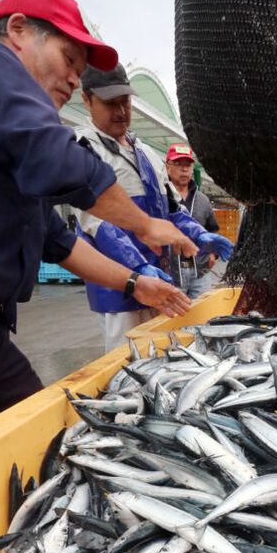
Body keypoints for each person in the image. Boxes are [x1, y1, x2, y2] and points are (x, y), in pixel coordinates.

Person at [0, 0, 194, 422]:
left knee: (44, 436)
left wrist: (137, 284)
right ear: (18, 29)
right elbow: (58, 159)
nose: (75, 79)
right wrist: (145, 225)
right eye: (69, 60)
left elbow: (60, 242)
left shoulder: (3, 138)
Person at [75, 64, 233, 351]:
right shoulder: (82, 148)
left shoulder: (145, 152)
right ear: (86, 99)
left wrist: (199, 235)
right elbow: (98, 224)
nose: (121, 111)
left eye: (125, 102)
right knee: (129, 362)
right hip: (118, 291)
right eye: (110, 103)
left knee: (165, 355)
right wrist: (138, 268)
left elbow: (173, 208)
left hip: (161, 281)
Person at [165, 144, 225, 299]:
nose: (184, 169)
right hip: (170, 272)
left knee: (201, 316)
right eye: (178, 164)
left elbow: (212, 228)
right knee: (174, 317)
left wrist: (213, 253)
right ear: (167, 167)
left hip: (200, 271)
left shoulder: (202, 200)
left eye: (188, 164)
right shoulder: (161, 197)